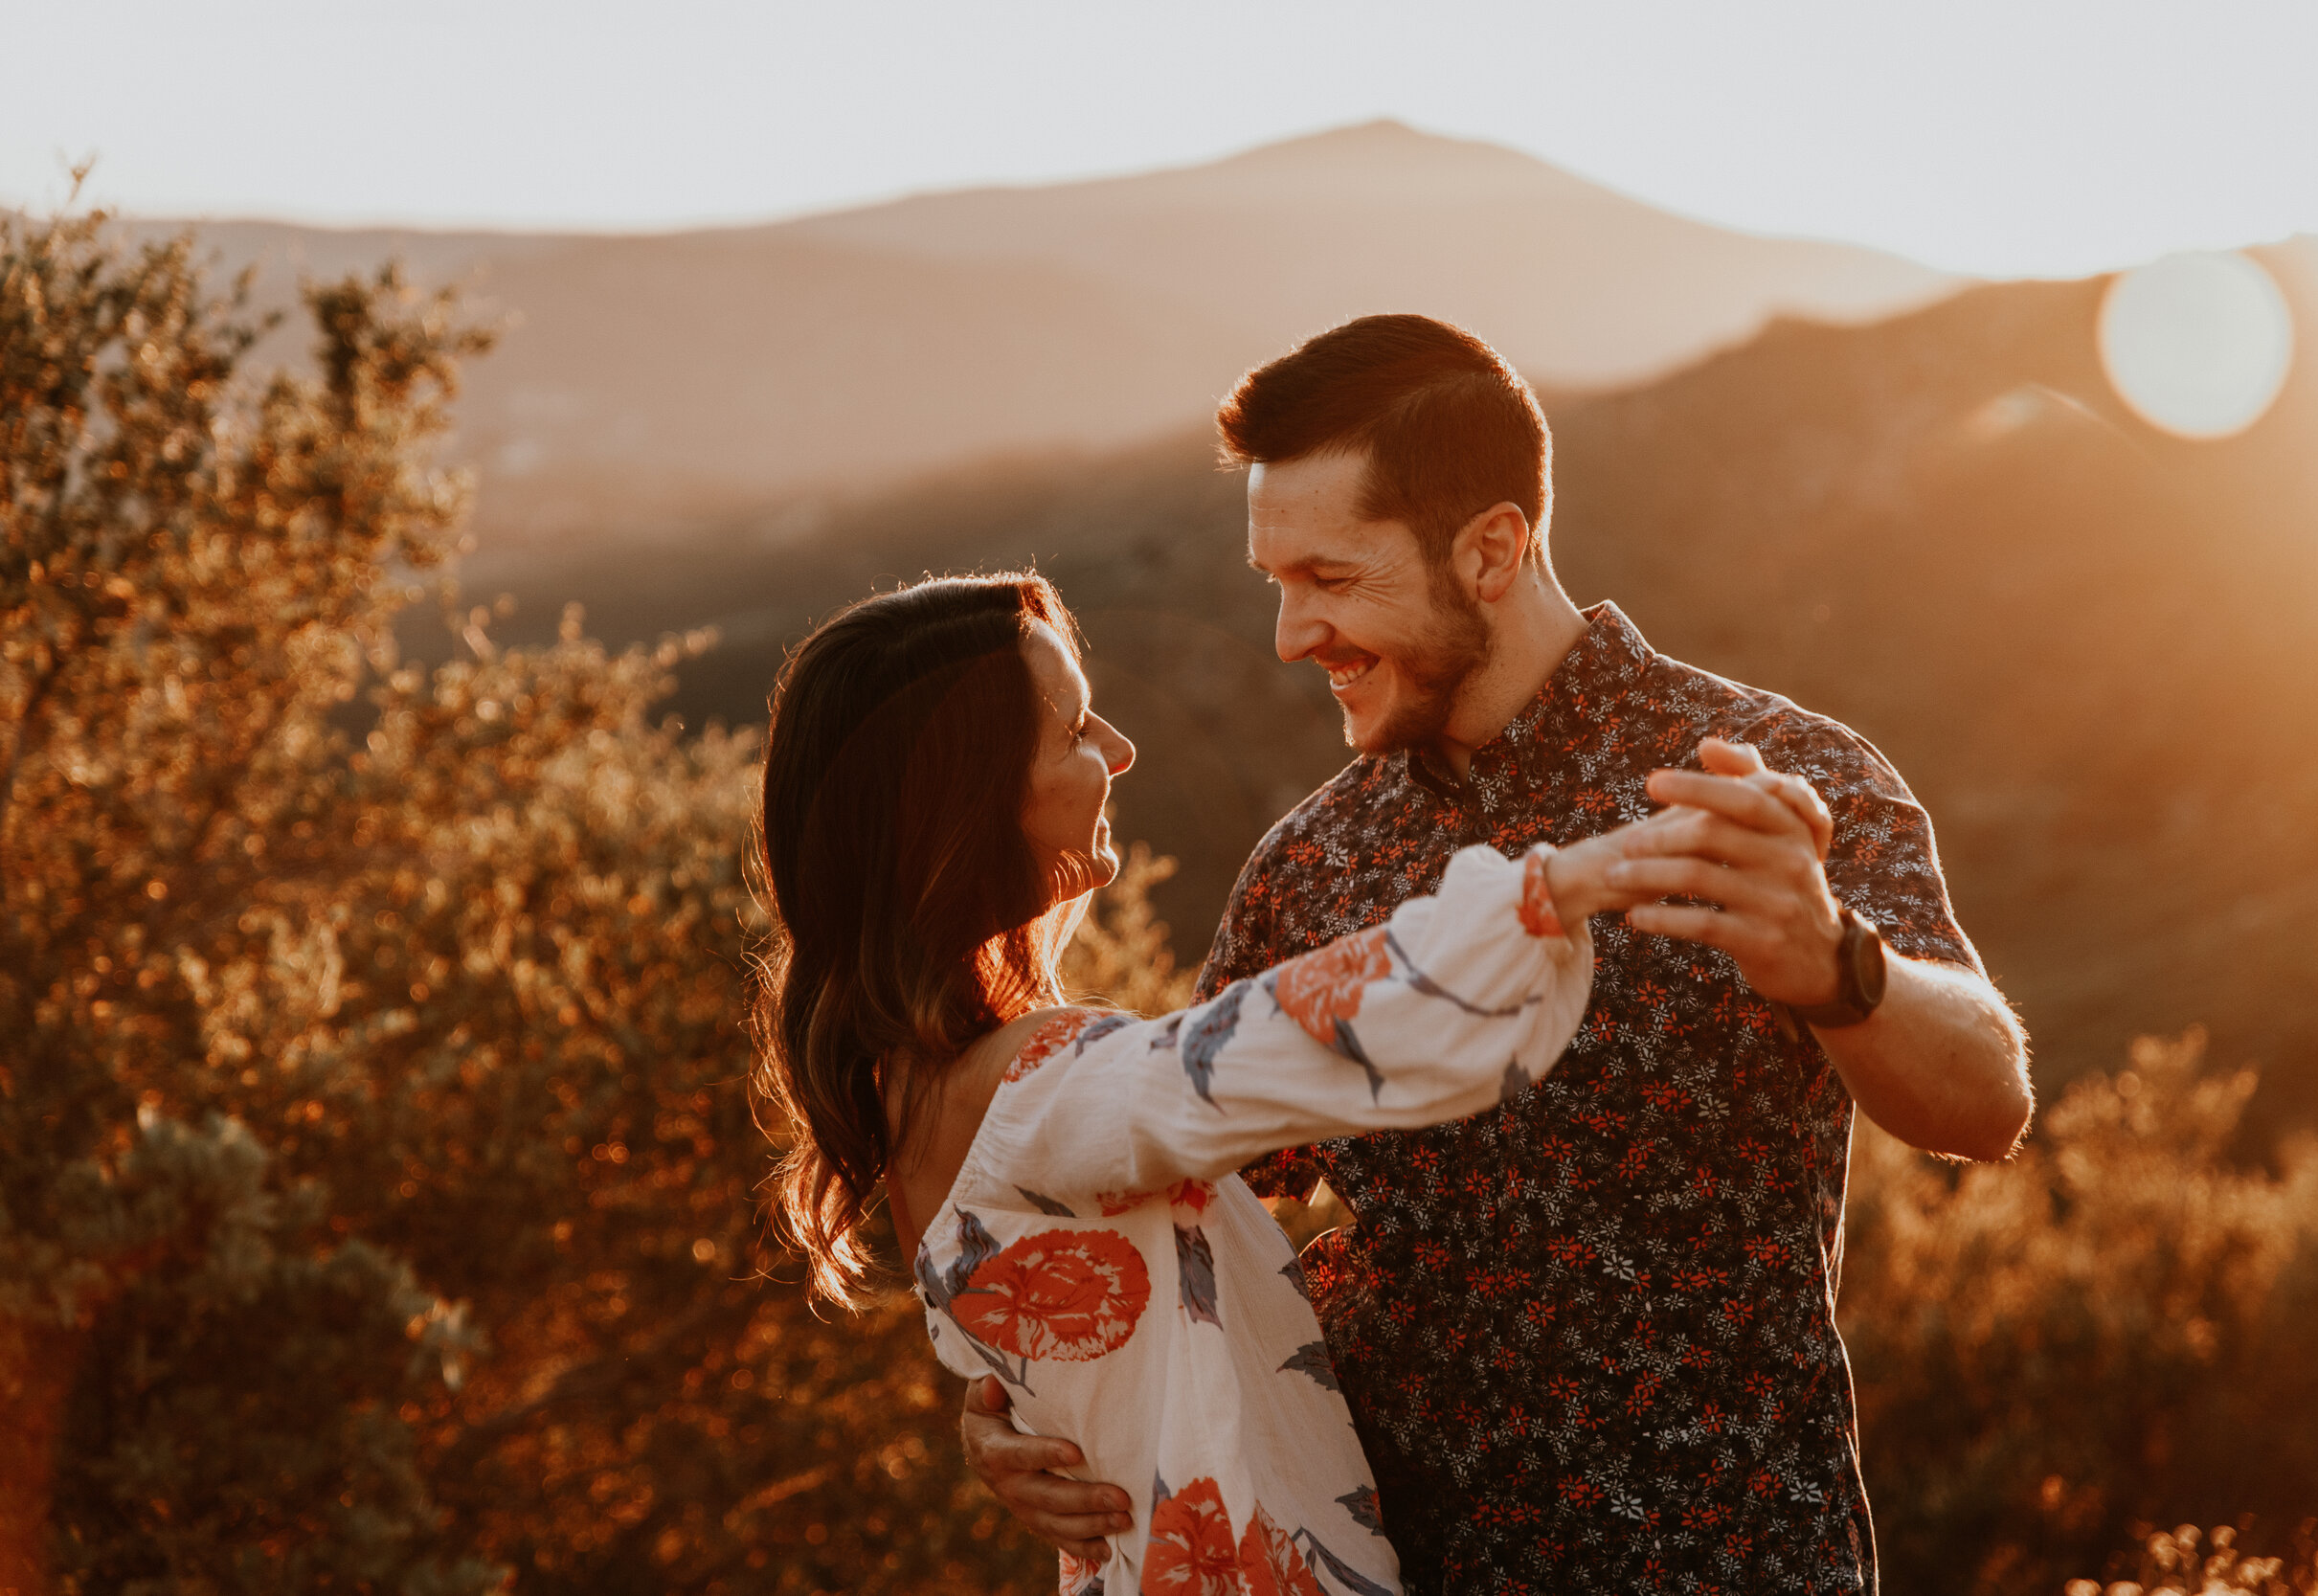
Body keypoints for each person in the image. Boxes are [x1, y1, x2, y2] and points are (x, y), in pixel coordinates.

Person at [963, 316, 2036, 1594]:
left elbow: (1987, 1097)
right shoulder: (1308, 866)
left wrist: (1836, 962)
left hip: (1737, 1557)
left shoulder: (1781, 780)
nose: (1292, 634)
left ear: (1490, 548)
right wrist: (1017, 1401)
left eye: (1333, 579)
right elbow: (1191, 1214)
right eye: (1276, 584)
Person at [749, 572, 1717, 1594]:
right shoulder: (1035, 1088)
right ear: (968, 804)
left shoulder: (919, 1090)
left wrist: (990, 1421)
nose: (1118, 750)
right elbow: (1267, 1041)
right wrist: (1552, 888)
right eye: (1075, 730)